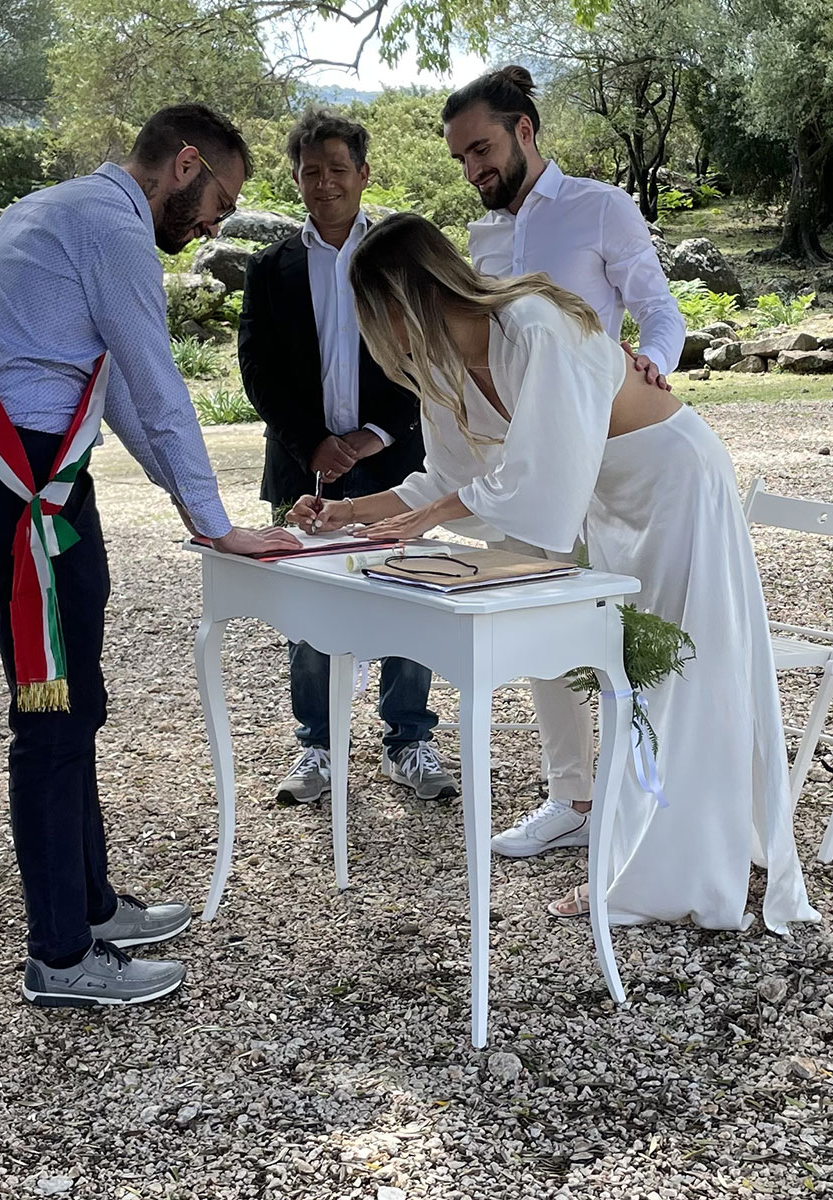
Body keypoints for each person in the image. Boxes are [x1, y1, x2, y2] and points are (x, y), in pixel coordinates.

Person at [292, 213, 817, 934]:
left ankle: (665, 873)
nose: (379, 335)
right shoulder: (443, 368)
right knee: (640, 678)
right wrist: (346, 512)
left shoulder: (532, 325)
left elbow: (541, 475)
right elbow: (442, 481)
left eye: (378, 314)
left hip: (672, 480)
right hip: (608, 500)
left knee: (681, 672)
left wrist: (437, 511)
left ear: (410, 296)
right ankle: (652, 847)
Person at [0, 104, 299, 1008]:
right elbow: (159, 384)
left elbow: (122, 391)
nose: (215, 225)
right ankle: (60, 957)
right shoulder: (115, 232)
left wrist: (194, 507)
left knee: (71, 701)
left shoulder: (53, 208)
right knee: (52, 719)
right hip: (29, 496)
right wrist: (217, 521)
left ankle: (91, 906)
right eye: (220, 201)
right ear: (184, 165)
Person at [441, 65, 687, 858]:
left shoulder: (600, 207)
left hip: (608, 454)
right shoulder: (482, 239)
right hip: (530, 460)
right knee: (537, 615)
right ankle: (571, 798)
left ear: (523, 129)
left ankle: (652, 799)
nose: (473, 170)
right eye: (461, 159)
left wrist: (652, 362)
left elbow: (659, 309)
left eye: (481, 150)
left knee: (629, 628)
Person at [239, 108, 456, 806]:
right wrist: (314, 442)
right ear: (296, 178)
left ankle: (408, 739)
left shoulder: (395, 256)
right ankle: (318, 745)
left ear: (363, 173)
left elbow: (426, 351)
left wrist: (374, 434)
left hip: (394, 459)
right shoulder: (270, 266)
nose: (324, 182)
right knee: (310, 604)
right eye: (311, 171)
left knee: (408, 594)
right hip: (302, 462)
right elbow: (258, 370)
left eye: (338, 169)